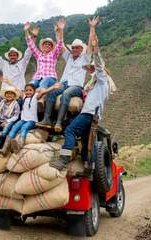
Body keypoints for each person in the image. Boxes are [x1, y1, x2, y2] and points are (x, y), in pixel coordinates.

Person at [49, 16, 117, 172]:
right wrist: (59, 32)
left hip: (88, 113)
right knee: (87, 141)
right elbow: (61, 47)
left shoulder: (101, 79)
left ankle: (64, 159)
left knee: (70, 130)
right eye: (91, 69)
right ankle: (88, 165)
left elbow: (98, 63)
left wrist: (94, 41)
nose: (91, 70)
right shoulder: (97, 84)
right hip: (92, 115)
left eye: (93, 69)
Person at [38, 33, 93, 131]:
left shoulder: (85, 58)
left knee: (66, 94)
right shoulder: (69, 57)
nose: (75, 49)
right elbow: (61, 44)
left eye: (77, 48)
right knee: (52, 91)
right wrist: (58, 31)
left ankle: (59, 122)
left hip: (76, 86)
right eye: (73, 48)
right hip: (64, 83)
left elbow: (90, 45)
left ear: (81, 49)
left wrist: (92, 28)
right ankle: (47, 119)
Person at [24, 19, 65, 125]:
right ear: (42, 46)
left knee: (44, 82)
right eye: (45, 44)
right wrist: (26, 31)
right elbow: (31, 45)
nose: (47, 46)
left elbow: (60, 44)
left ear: (52, 47)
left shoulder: (54, 55)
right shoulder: (38, 54)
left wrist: (60, 30)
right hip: (38, 77)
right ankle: (26, 107)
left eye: (49, 45)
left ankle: (41, 101)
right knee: (31, 85)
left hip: (50, 77)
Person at [8, 82, 63, 153]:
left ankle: (20, 144)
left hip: (32, 121)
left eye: (30, 90)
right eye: (26, 90)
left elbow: (44, 92)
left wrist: (53, 87)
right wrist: (9, 82)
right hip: (23, 119)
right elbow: (17, 89)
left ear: (34, 91)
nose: (28, 92)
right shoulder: (24, 97)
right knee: (15, 127)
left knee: (24, 127)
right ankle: (7, 145)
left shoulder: (35, 97)